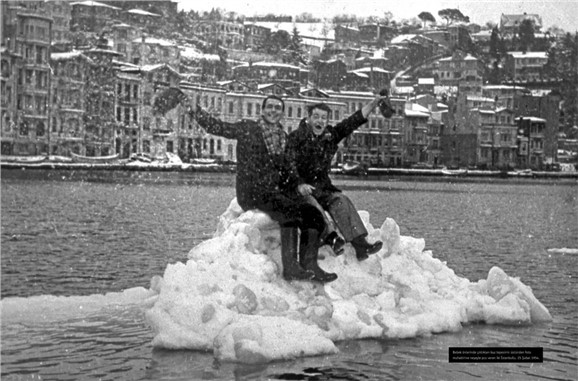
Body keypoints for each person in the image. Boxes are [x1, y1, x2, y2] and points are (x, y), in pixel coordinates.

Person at [184, 94, 338, 283]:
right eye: (270, 107)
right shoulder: (248, 129)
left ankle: (310, 265)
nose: (273, 110)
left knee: (312, 214)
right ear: (262, 110)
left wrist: (298, 184)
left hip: (274, 192)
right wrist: (193, 108)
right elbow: (216, 126)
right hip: (252, 191)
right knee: (289, 212)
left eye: (277, 108)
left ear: (282, 113)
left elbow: (288, 167)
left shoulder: (283, 137)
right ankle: (290, 268)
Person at [286, 95, 387, 261]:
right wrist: (299, 184)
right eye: (316, 117)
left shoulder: (330, 136)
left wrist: (373, 103)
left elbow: (352, 122)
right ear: (308, 118)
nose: (320, 121)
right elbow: (288, 164)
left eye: (324, 118)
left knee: (340, 200)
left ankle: (360, 244)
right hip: (299, 189)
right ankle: (331, 239)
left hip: (322, 187)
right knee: (312, 205)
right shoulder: (296, 138)